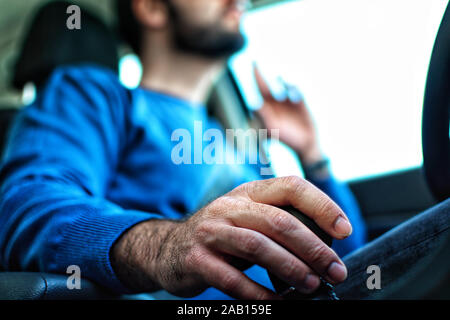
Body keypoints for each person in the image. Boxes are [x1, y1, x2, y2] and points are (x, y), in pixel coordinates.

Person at [0, 0, 369, 300]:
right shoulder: (94, 95)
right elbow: (31, 205)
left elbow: (345, 259)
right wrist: (164, 246)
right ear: (152, 8)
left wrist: (312, 154)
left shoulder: (229, 142)